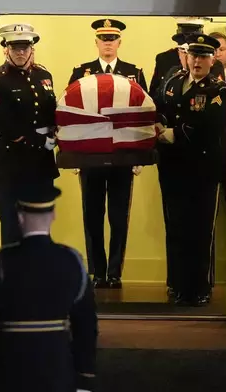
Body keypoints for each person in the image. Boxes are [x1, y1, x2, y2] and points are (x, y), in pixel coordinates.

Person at [0, 184, 98, 392]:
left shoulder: (1, 261)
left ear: (20, 217)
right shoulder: (71, 260)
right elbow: (86, 325)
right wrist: (85, 375)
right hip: (57, 369)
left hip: (9, 370)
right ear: (53, 215)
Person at [66, 18, 147, 289]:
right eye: (104, 39)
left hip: (123, 158)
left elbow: (142, 115)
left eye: (112, 39)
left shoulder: (134, 72)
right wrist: (74, 155)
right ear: (96, 42)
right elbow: (69, 114)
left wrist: (139, 157)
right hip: (89, 158)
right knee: (92, 215)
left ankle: (114, 272)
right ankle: (97, 271)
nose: (108, 43)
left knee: (118, 216)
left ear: (120, 42)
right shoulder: (81, 72)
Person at [153, 33, 226, 307]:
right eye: (193, 55)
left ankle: (199, 287)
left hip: (202, 170)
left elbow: (210, 127)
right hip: (172, 167)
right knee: (175, 227)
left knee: (200, 230)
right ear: (186, 56)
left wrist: (176, 133)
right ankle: (177, 285)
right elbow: (159, 108)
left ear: (212, 60)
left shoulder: (218, 91)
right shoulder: (173, 83)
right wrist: (159, 126)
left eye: (204, 56)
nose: (197, 61)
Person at [0, 23, 59, 246]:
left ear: (32, 49)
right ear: (5, 49)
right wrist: (40, 141)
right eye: (15, 48)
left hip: (41, 165)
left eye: (25, 48)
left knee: (40, 228)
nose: (20, 53)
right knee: (12, 228)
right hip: (11, 165)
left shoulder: (44, 75)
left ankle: (38, 279)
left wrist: (57, 131)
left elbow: (49, 112)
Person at [149, 18, 225, 97]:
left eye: (190, 53)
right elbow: (156, 95)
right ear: (178, 51)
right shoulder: (167, 62)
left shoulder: (213, 66)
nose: (186, 57)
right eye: (183, 51)